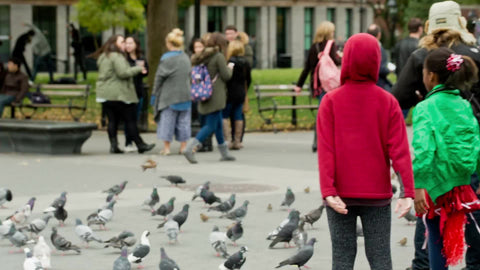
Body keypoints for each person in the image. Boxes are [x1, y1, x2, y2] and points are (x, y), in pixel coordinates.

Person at [391, 2, 480, 269]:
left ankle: (424, 264)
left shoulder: (423, 57)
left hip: (436, 156)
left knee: (429, 213)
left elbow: (398, 98)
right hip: (468, 151)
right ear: (459, 23)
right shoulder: (473, 54)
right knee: (472, 208)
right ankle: (475, 264)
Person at [317, 33, 414, 270]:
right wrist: (407, 191)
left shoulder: (330, 101)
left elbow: (326, 151)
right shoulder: (388, 102)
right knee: (380, 258)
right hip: (377, 195)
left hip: (340, 194)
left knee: (341, 258)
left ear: (346, 59)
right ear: (376, 61)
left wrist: (328, 190)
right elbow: (399, 151)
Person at [413, 47, 480, 270]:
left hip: (435, 185)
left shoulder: (426, 107)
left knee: (435, 236)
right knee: (459, 235)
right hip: (462, 184)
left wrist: (420, 184)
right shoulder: (464, 104)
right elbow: (476, 140)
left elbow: (423, 148)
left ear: (431, 76)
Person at [92, 35, 155, 154]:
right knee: (130, 119)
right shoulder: (117, 56)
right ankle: (140, 144)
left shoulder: (103, 56)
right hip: (118, 94)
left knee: (112, 120)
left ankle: (114, 145)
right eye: (122, 42)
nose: (124, 44)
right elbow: (123, 73)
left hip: (105, 93)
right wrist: (138, 69)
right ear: (115, 43)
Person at [184, 32, 235, 164]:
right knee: (211, 125)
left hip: (204, 92)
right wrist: (230, 68)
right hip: (216, 94)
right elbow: (226, 76)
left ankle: (224, 153)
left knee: (217, 124)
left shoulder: (201, 56)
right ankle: (190, 148)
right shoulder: (218, 56)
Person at [294, 21, 341, 153]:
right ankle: (331, 141)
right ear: (328, 32)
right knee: (333, 114)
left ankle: (317, 141)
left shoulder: (314, 47)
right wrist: (341, 58)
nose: (333, 33)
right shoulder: (331, 45)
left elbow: (307, 68)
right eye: (332, 31)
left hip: (318, 85)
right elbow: (336, 61)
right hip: (331, 86)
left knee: (321, 114)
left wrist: (299, 85)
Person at [152, 29, 191, 156]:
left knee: (167, 122)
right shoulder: (186, 57)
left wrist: (154, 94)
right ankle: (183, 147)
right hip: (185, 94)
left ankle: (167, 148)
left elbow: (159, 77)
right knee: (184, 122)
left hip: (169, 96)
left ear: (169, 43)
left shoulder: (166, 58)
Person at [222, 40, 251, 150]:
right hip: (240, 93)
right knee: (238, 115)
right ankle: (237, 140)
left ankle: (227, 140)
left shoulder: (229, 62)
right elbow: (248, 79)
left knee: (225, 115)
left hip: (229, 93)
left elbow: (226, 77)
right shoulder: (246, 63)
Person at [124, 36, 149, 153]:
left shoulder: (141, 58)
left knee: (136, 117)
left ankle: (133, 141)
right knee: (129, 118)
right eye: (126, 43)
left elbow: (146, 72)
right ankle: (128, 142)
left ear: (136, 45)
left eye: (130, 43)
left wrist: (144, 71)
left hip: (139, 91)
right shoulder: (124, 58)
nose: (128, 45)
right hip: (128, 91)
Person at [366, 24, 393, 92]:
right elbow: (381, 68)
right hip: (379, 84)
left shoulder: (364, 47)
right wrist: (388, 70)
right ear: (379, 34)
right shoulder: (379, 49)